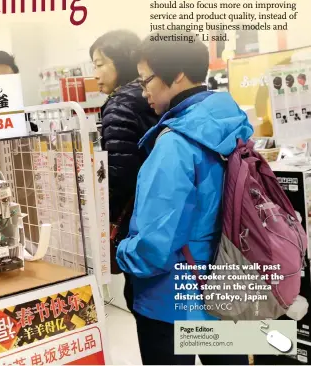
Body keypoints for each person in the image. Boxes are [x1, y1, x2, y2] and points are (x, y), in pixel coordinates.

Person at [116, 31, 253, 365]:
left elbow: (154, 246)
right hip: (227, 283)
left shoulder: (174, 145)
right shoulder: (232, 125)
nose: (143, 90)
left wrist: (120, 252)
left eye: (145, 79)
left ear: (176, 76)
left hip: (171, 301)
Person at [90, 30, 158, 312]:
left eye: (99, 64)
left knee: (145, 301)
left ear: (120, 62)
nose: (95, 74)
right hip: (164, 215)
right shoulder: (153, 98)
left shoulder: (118, 105)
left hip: (136, 222)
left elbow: (119, 174)